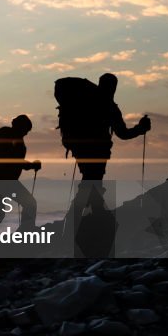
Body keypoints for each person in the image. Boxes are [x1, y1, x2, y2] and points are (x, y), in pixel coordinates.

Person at [55, 73, 151, 256]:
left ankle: (83, 225)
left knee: (91, 185)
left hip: (81, 151)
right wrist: (141, 128)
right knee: (91, 185)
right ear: (113, 87)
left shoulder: (86, 100)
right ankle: (79, 225)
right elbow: (123, 134)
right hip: (98, 152)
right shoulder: (109, 106)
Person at [0, 115, 41, 232]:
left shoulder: (9, 138)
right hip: (2, 181)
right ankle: (26, 230)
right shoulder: (9, 139)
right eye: (25, 130)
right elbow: (12, 160)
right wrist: (31, 165)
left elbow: (13, 160)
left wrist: (30, 165)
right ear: (20, 127)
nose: (26, 134)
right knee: (29, 204)